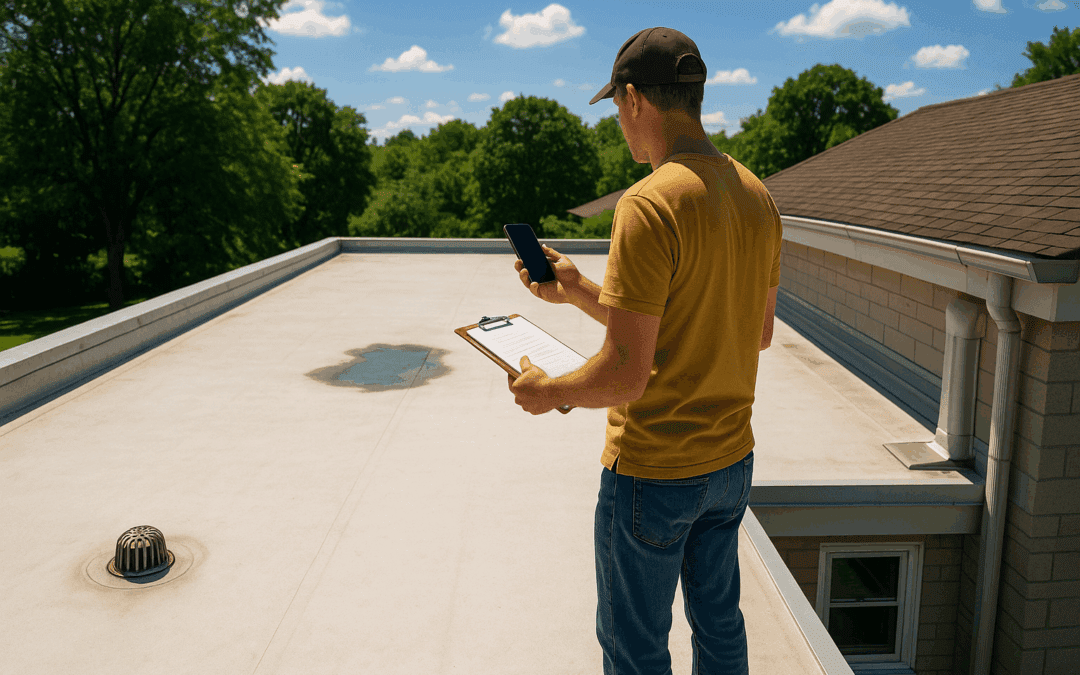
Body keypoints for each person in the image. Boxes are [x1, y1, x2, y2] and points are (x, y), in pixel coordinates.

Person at [507, 27, 782, 675]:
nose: (619, 125)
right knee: (720, 629)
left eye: (616, 109)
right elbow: (752, 331)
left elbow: (626, 376)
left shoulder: (650, 203)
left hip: (653, 474)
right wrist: (576, 291)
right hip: (729, 466)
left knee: (634, 649)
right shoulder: (756, 195)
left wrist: (548, 392)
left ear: (634, 100)